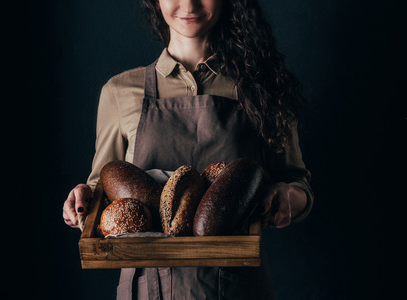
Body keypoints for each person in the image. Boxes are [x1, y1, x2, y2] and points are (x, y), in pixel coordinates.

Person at [63, 0, 313, 298]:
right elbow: (101, 188)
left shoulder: (262, 87)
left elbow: (299, 183)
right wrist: (82, 201)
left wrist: (287, 197)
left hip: (238, 287)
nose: (189, 3)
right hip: (147, 289)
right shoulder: (119, 92)